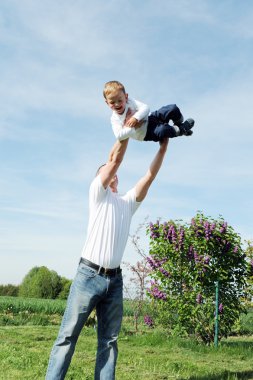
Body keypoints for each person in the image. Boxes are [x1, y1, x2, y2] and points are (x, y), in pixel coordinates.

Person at [45, 136, 170, 380]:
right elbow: (115, 159)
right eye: (107, 170)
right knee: (68, 336)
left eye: (113, 171)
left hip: (115, 281)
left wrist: (163, 148)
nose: (112, 171)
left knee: (109, 342)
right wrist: (125, 132)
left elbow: (149, 177)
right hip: (88, 276)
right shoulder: (97, 194)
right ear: (100, 178)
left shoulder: (127, 203)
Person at [103, 80, 195, 142]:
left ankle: (179, 122)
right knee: (162, 130)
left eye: (120, 100)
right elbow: (119, 136)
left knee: (172, 108)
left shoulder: (130, 101)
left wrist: (136, 118)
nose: (117, 104)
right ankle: (180, 130)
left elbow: (145, 107)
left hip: (151, 117)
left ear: (126, 97)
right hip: (146, 132)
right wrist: (132, 127)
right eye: (112, 102)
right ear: (107, 103)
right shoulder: (115, 119)